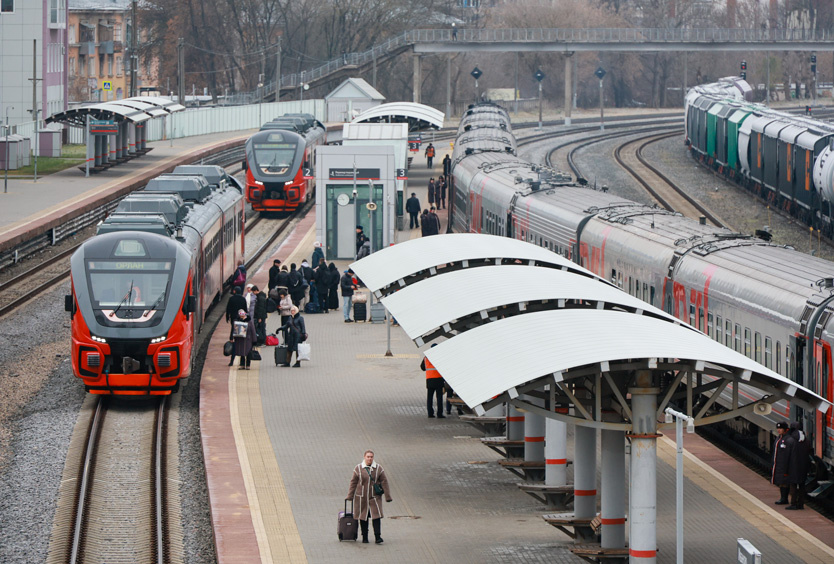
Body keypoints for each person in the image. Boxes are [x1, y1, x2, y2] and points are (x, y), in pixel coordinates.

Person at [346, 450, 393, 544]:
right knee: (363, 517)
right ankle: (365, 537)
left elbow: (384, 481)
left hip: (374, 497)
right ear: (364, 457)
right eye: (368, 457)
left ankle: (378, 536)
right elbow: (353, 482)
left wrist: (388, 496)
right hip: (361, 498)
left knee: (376, 517)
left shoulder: (378, 468)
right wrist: (350, 496)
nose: (370, 458)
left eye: (371, 457)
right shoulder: (358, 468)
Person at [788, 421, 810, 510]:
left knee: (793, 485)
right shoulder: (806, 440)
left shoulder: (790, 440)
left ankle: (793, 504)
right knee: (802, 485)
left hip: (793, 466)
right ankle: (801, 504)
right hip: (803, 466)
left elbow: (787, 454)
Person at [772, 421, 795, 505]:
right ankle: (783, 497)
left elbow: (789, 455)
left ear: (786, 430)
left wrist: (787, 468)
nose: (779, 430)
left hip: (785, 466)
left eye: (781, 428)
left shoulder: (788, 440)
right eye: (778, 428)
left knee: (784, 482)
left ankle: (784, 498)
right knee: (781, 482)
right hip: (779, 465)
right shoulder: (779, 438)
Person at [421, 344, 445, 418]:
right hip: (439, 379)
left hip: (430, 380)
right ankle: (439, 414)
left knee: (430, 398)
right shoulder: (440, 357)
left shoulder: (426, 357)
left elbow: (422, 367)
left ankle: (430, 413)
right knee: (439, 397)